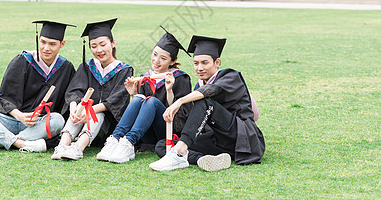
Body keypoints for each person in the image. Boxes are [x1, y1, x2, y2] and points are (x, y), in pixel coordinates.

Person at [150, 35, 265, 172]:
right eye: (196, 63)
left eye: (204, 63)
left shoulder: (230, 76)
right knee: (163, 145)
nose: (199, 68)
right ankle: (199, 159)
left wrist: (180, 101)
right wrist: (170, 93)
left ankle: (180, 152)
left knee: (204, 100)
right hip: (217, 139)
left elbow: (211, 91)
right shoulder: (198, 87)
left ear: (217, 62)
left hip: (240, 135)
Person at [0, 21, 76, 152]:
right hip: (9, 120)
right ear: (38, 39)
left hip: (37, 125)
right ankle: (20, 143)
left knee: (57, 120)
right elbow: (4, 98)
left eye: (52, 44)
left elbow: (66, 103)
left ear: (62, 44)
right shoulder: (22, 60)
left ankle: (1, 141)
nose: (46, 48)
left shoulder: (66, 68)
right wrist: (20, 116)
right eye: (43, 42)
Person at [96, 26, 192, 164]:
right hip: (146, 133)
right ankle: (115, 139)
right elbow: (140, 113)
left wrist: (169, 90)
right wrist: (133, 93)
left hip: (167, 132)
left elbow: (181, 115)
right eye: (154, 54)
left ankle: (129, 143)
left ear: (172, 61)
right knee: (139, 98)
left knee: (151, 101)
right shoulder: (145, 77)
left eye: (163, 58)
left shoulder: (180, 78)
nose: (156, 61)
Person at [51, 18, 133, 160]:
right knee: (76, 113)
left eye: (103, 44)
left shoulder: (124, 70)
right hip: (82, 119)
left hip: (107, 127)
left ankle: (78, 148)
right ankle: (62, 145)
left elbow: (117, 100)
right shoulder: (87, 67)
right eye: (93, 46)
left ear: (112, 43)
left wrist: (91, 111)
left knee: (97, 115)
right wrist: (74, 108)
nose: (99, 50)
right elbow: (74, 90)